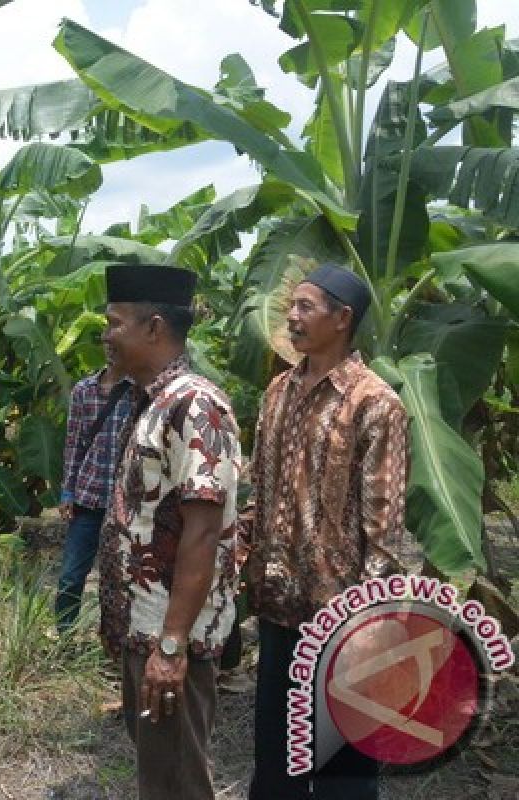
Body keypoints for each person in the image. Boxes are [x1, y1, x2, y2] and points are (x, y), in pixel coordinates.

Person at [243, 264, 412, 800]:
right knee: (275, 754)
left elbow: (385, 530)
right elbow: (259, 493)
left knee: (344, 765)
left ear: (343, 319)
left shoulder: (375, 402)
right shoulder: (277, 392)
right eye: (291, 305)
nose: (291, 316)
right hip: (278, 605)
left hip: (341, 617)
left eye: (305, 307)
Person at [97, 263, 242, 800]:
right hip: (145, 626)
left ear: (154, 328)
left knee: (179, 781)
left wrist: (172, 646)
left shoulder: (194, 405)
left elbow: (202, 534)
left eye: (115, 323)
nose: (105, 335)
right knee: (159, 775)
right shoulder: (153, 401)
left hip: (169, 634)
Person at [55, 338, 134, 634]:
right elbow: (73, 444)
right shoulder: (83, 391)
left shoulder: (138, 391)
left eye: (119, 344)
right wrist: (67, 491)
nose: (113, 349)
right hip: (88, 496)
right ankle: (64, 635)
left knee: (117, 578)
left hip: (124, 500)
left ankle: (112, 640)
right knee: (70, 577)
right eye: (109, 344)